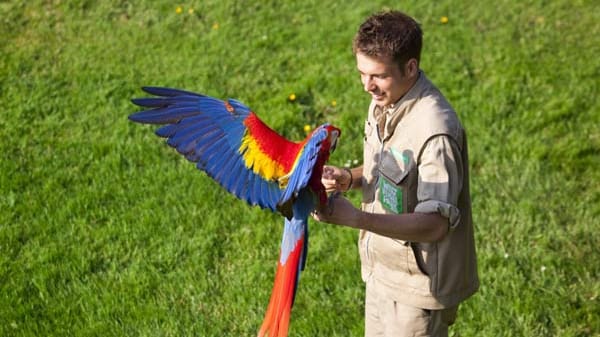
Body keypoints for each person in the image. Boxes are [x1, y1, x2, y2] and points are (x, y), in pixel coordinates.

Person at [313, 10, 479, 337]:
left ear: (411, 67)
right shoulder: (387, 100)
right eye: (362, 73)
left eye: (377, 76)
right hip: (382, 271)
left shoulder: (435, 133)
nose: (367, 86)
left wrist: (357, 218)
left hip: (419, 287)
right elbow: (391, 171)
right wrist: (349, 177)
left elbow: (436, 223)